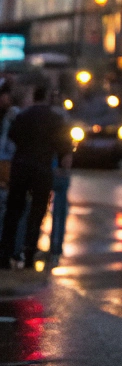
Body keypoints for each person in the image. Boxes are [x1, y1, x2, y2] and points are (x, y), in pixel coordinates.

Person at [0, 83, 71, 268]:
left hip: (21, 166)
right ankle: (29, 253)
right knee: (37, 211)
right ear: (47, 98)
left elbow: (13, 136)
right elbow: (64, 145)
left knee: (13, 211)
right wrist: (63, 160)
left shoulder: (22, 116)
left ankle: (6, 253)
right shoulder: (55, 119)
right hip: (42, 169)